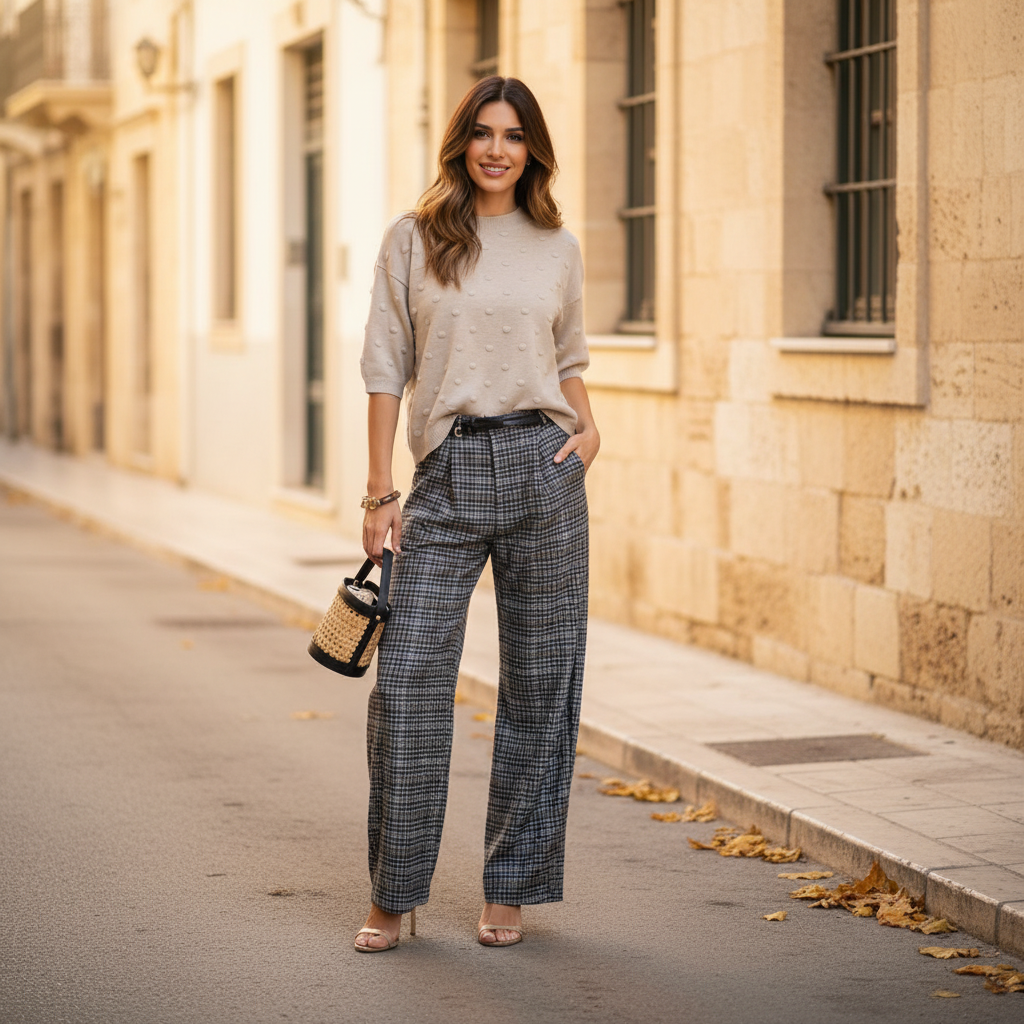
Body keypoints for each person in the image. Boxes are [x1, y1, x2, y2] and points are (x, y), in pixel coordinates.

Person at [354, 74, 599, 952]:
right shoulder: (414, 239)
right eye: (484, 133)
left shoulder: (557, 244)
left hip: (545, 464)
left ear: (532, 149)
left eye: (515, 135)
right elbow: (386, 366)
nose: (498, 148)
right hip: (446, 473)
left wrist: (590, 425)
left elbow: (568, 351)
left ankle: (514, 885)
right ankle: (395, 891)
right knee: (411, 683)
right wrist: (381, 493)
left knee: (543, 683)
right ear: (461, 142)